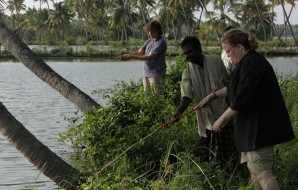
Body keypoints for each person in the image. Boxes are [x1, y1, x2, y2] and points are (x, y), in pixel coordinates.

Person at [196, 29, 295, 190]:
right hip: (250, 130)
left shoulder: (253, 62)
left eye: (228, 50)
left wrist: (222, 119)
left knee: (263, 173)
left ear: (239, 47)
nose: (227, 55)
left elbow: (241, 98)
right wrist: (212, 96)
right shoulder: (245, 63)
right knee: (254, 172)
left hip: (259, 129)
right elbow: (233, 88)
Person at [172, 36, 239, 168]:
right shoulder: (187, 73)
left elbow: (228, 86)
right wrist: (178, 112)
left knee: (232, 153)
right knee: (213, 158)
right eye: (184, 53)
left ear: (199, 49)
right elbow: (186, 96)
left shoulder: (216, 61)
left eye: (190, 52)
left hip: (224, 114)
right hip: (207, 120)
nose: (187, 56)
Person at [117, 20, 167, 95]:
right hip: (146, 73)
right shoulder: (150, 40)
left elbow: (150, 56)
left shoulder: (161, 42)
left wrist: (130, 57)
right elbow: (140, 52)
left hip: (157, 74)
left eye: (152, 31)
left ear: (158, 31)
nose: (150, 33)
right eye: (149, 31)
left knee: (157, 97)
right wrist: (127, 55)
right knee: (147, 96)